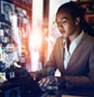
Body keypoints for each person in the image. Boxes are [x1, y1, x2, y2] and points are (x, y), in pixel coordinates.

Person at [30, 1, 94, 89]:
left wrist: (63, 79)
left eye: (63, 21)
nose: (59, 26)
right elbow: (51, 66)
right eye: (57, 22)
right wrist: (38, 73)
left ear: (76, 21)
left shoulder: (91, 45)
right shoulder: (59, 42)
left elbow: (92, 79)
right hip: (62, 93)